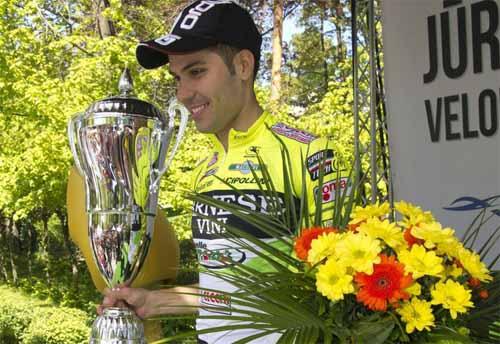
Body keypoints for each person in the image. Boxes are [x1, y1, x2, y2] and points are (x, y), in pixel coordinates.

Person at [100, 1, 344, 343]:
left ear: (243, 65)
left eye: (197, 71)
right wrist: (155, 301)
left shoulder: (312, 155)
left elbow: (339, 297)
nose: (183, 94)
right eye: (177, 77)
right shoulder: (206, 169)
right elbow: (224, 293)